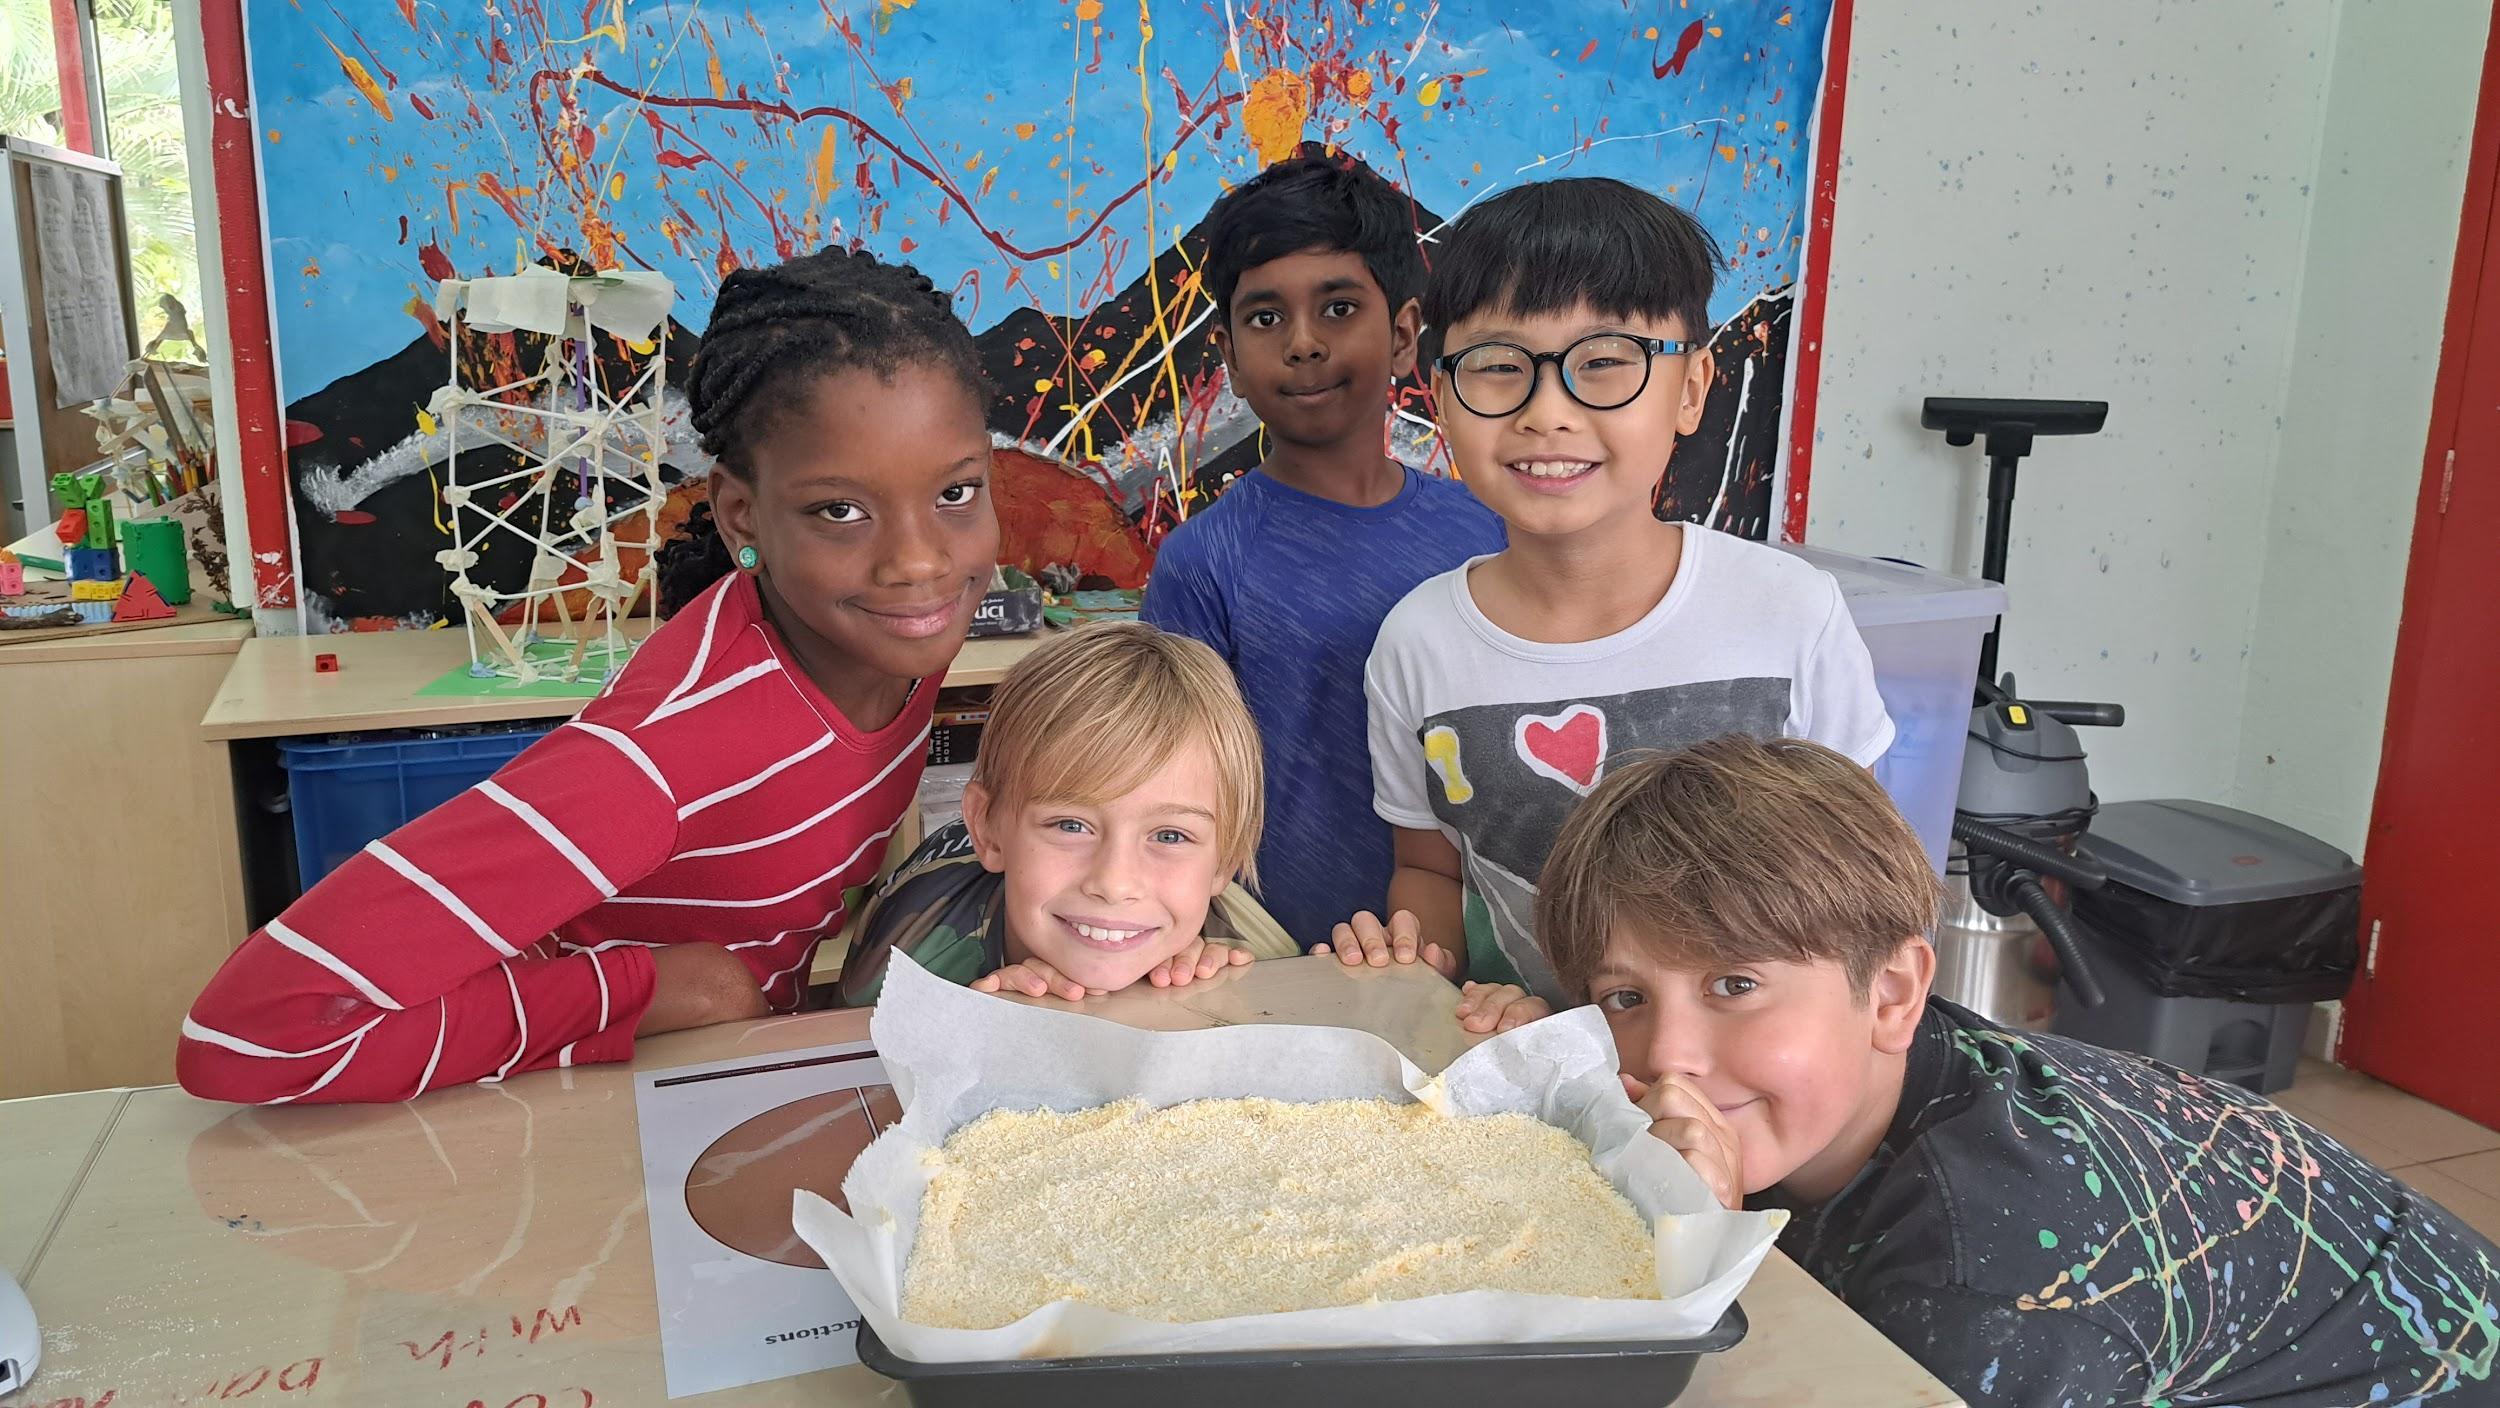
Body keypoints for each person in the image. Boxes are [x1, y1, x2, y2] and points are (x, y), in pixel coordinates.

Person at [177, 247, 999, 1103]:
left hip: (722, 1074)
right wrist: (666, 992)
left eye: (955, 494)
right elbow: (245, 1037)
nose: (920, 562)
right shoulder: (661, 758)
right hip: (564, 1109)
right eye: (840, 510)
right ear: (740, 515)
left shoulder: (892, 644)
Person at [1465, 735, 2500, 1407]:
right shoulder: (1874, 1080)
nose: (1668, 1055)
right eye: (1626, 998)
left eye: (1735, 984)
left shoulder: (1986, 1284)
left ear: (1891, 993)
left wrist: (1707, 1259)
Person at [1342, 176, 1892, 998]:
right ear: (1443, 396)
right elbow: (1429, 869)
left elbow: (1862, 877)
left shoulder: (1789, 613)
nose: (1547, 412)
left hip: (1741, 1065)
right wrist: (1417, 972)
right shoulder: (1418, 641)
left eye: (1603, 362)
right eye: (1498, 366)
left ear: (1692, 389)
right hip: (1520, 1061)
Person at [1141, 145, 1504, 951]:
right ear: (1230, 357)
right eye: (1266, 319)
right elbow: (1161, 780)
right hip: (1270, 956)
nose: (1302, 343)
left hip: (1481, 951)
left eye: (1338, 308)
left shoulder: (1489, 531)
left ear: (1403, 335)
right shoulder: (1204, 563)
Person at [835, 621, 1297, 1004]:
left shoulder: (1264, 966)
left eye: (1170, 836)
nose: (1114, 884)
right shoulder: (903, 968)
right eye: (1071, 825)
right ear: (988, 829)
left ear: (1226, 859)